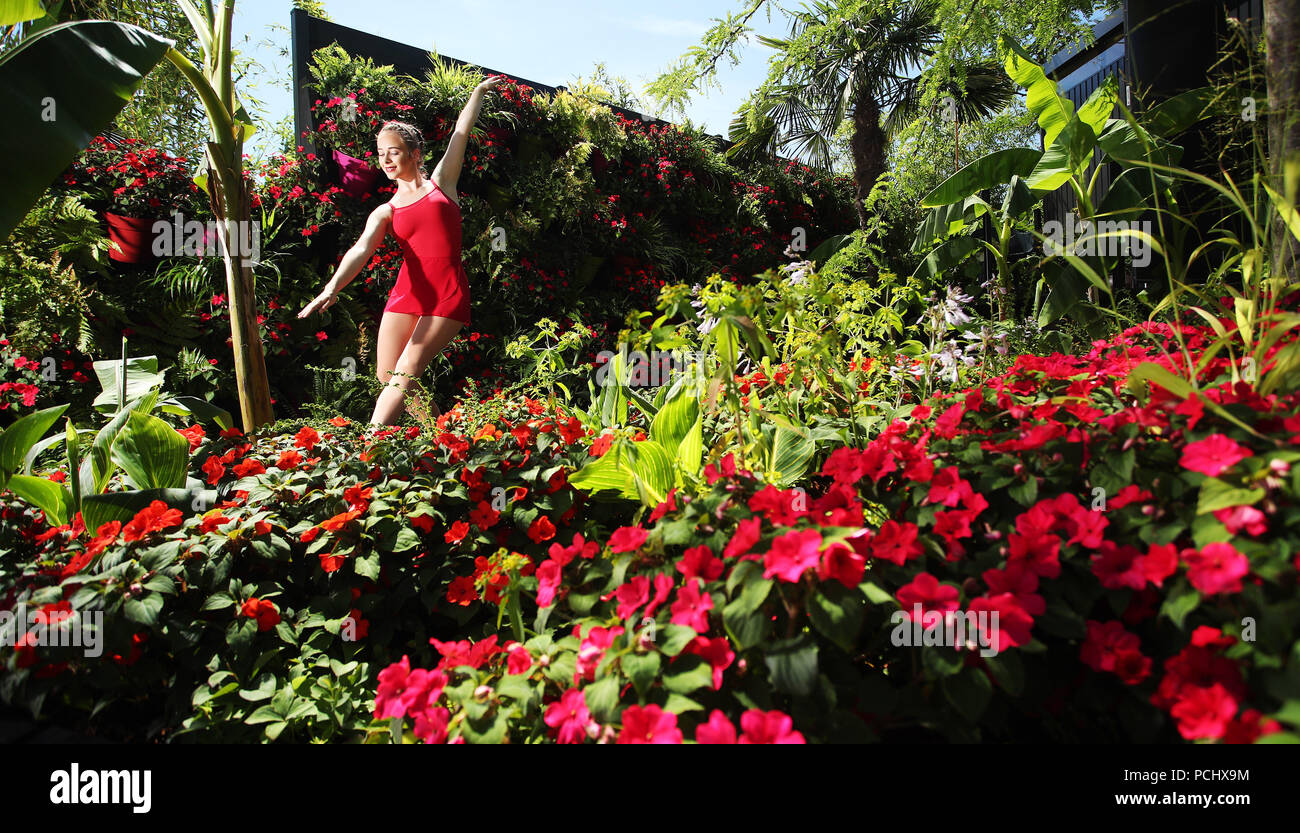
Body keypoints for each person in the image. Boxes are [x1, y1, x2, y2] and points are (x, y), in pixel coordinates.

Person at [298, 75, 506, 425]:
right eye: (381, 154)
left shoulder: (443, 184)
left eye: (393, 151)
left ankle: (366, 446)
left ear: (415, 154)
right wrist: (331, 288)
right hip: (407, 293)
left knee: (406, 370)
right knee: (388, 375)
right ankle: (440, 437)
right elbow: (361, 249)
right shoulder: (386, 211)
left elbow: (460, 133)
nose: (386, 159)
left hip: (446, 293)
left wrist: (478, 93)